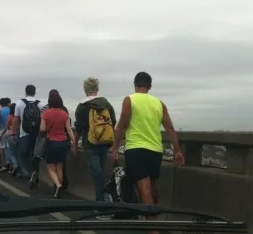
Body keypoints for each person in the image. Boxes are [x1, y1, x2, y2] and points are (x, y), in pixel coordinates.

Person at [110, 72, 185, 233]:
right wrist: (177, 150)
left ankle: (153, 229)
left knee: (144, 189)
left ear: (135, 84)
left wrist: (115, 147)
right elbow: (170, 128)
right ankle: (154, 217)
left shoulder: (130, 100)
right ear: (150, 86)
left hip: (136, 149)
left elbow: (121, 125)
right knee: (151, 186)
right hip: (156, 150)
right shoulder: (159, 103)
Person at [74, 77, 117, 205]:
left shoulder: (82, 106)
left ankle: (100, 201)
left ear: (85, 89)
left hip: (90, 143)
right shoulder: (107, 104)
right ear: (97, 89)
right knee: (101, 171)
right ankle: (104, 197)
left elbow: (79, 127)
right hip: (105, 142)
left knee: (96, 173)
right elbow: (113, 122)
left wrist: (75, 145)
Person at [40, 90, 76, 199]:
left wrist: (47, 129)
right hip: (63, 143)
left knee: (51, 167)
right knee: (59, 167)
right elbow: (69, 130)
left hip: (51, 142)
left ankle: (58, 185)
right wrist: (74, 143)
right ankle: (57, 191)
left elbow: (42, 129)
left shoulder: (45, 113)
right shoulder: (64, 114)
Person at [12, 85, 45, 186]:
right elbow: (44, 120)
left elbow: (16, 120)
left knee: (23, 155)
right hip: (37, 134)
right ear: (35, 92)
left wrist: (14, 133)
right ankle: (36, 176)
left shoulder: (20, 103)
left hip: (24, 133)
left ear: (25, 92)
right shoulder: (40, 104)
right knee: (36, 156)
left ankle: (32, 172)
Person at [2, 103, 19, 176]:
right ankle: (19, 169)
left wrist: (1, 135)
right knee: (17, 153)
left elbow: (6, 128)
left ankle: (14, 166)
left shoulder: (9, 117)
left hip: (11, 135)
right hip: (18, 135)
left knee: (10, 152)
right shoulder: (18, 117)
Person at [0, 98, 11, 172]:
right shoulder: (11, 110)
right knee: (8, 148)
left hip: (2, 131)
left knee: (2, 149)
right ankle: (9, 164)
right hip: (10, 131)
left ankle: (3, 165)